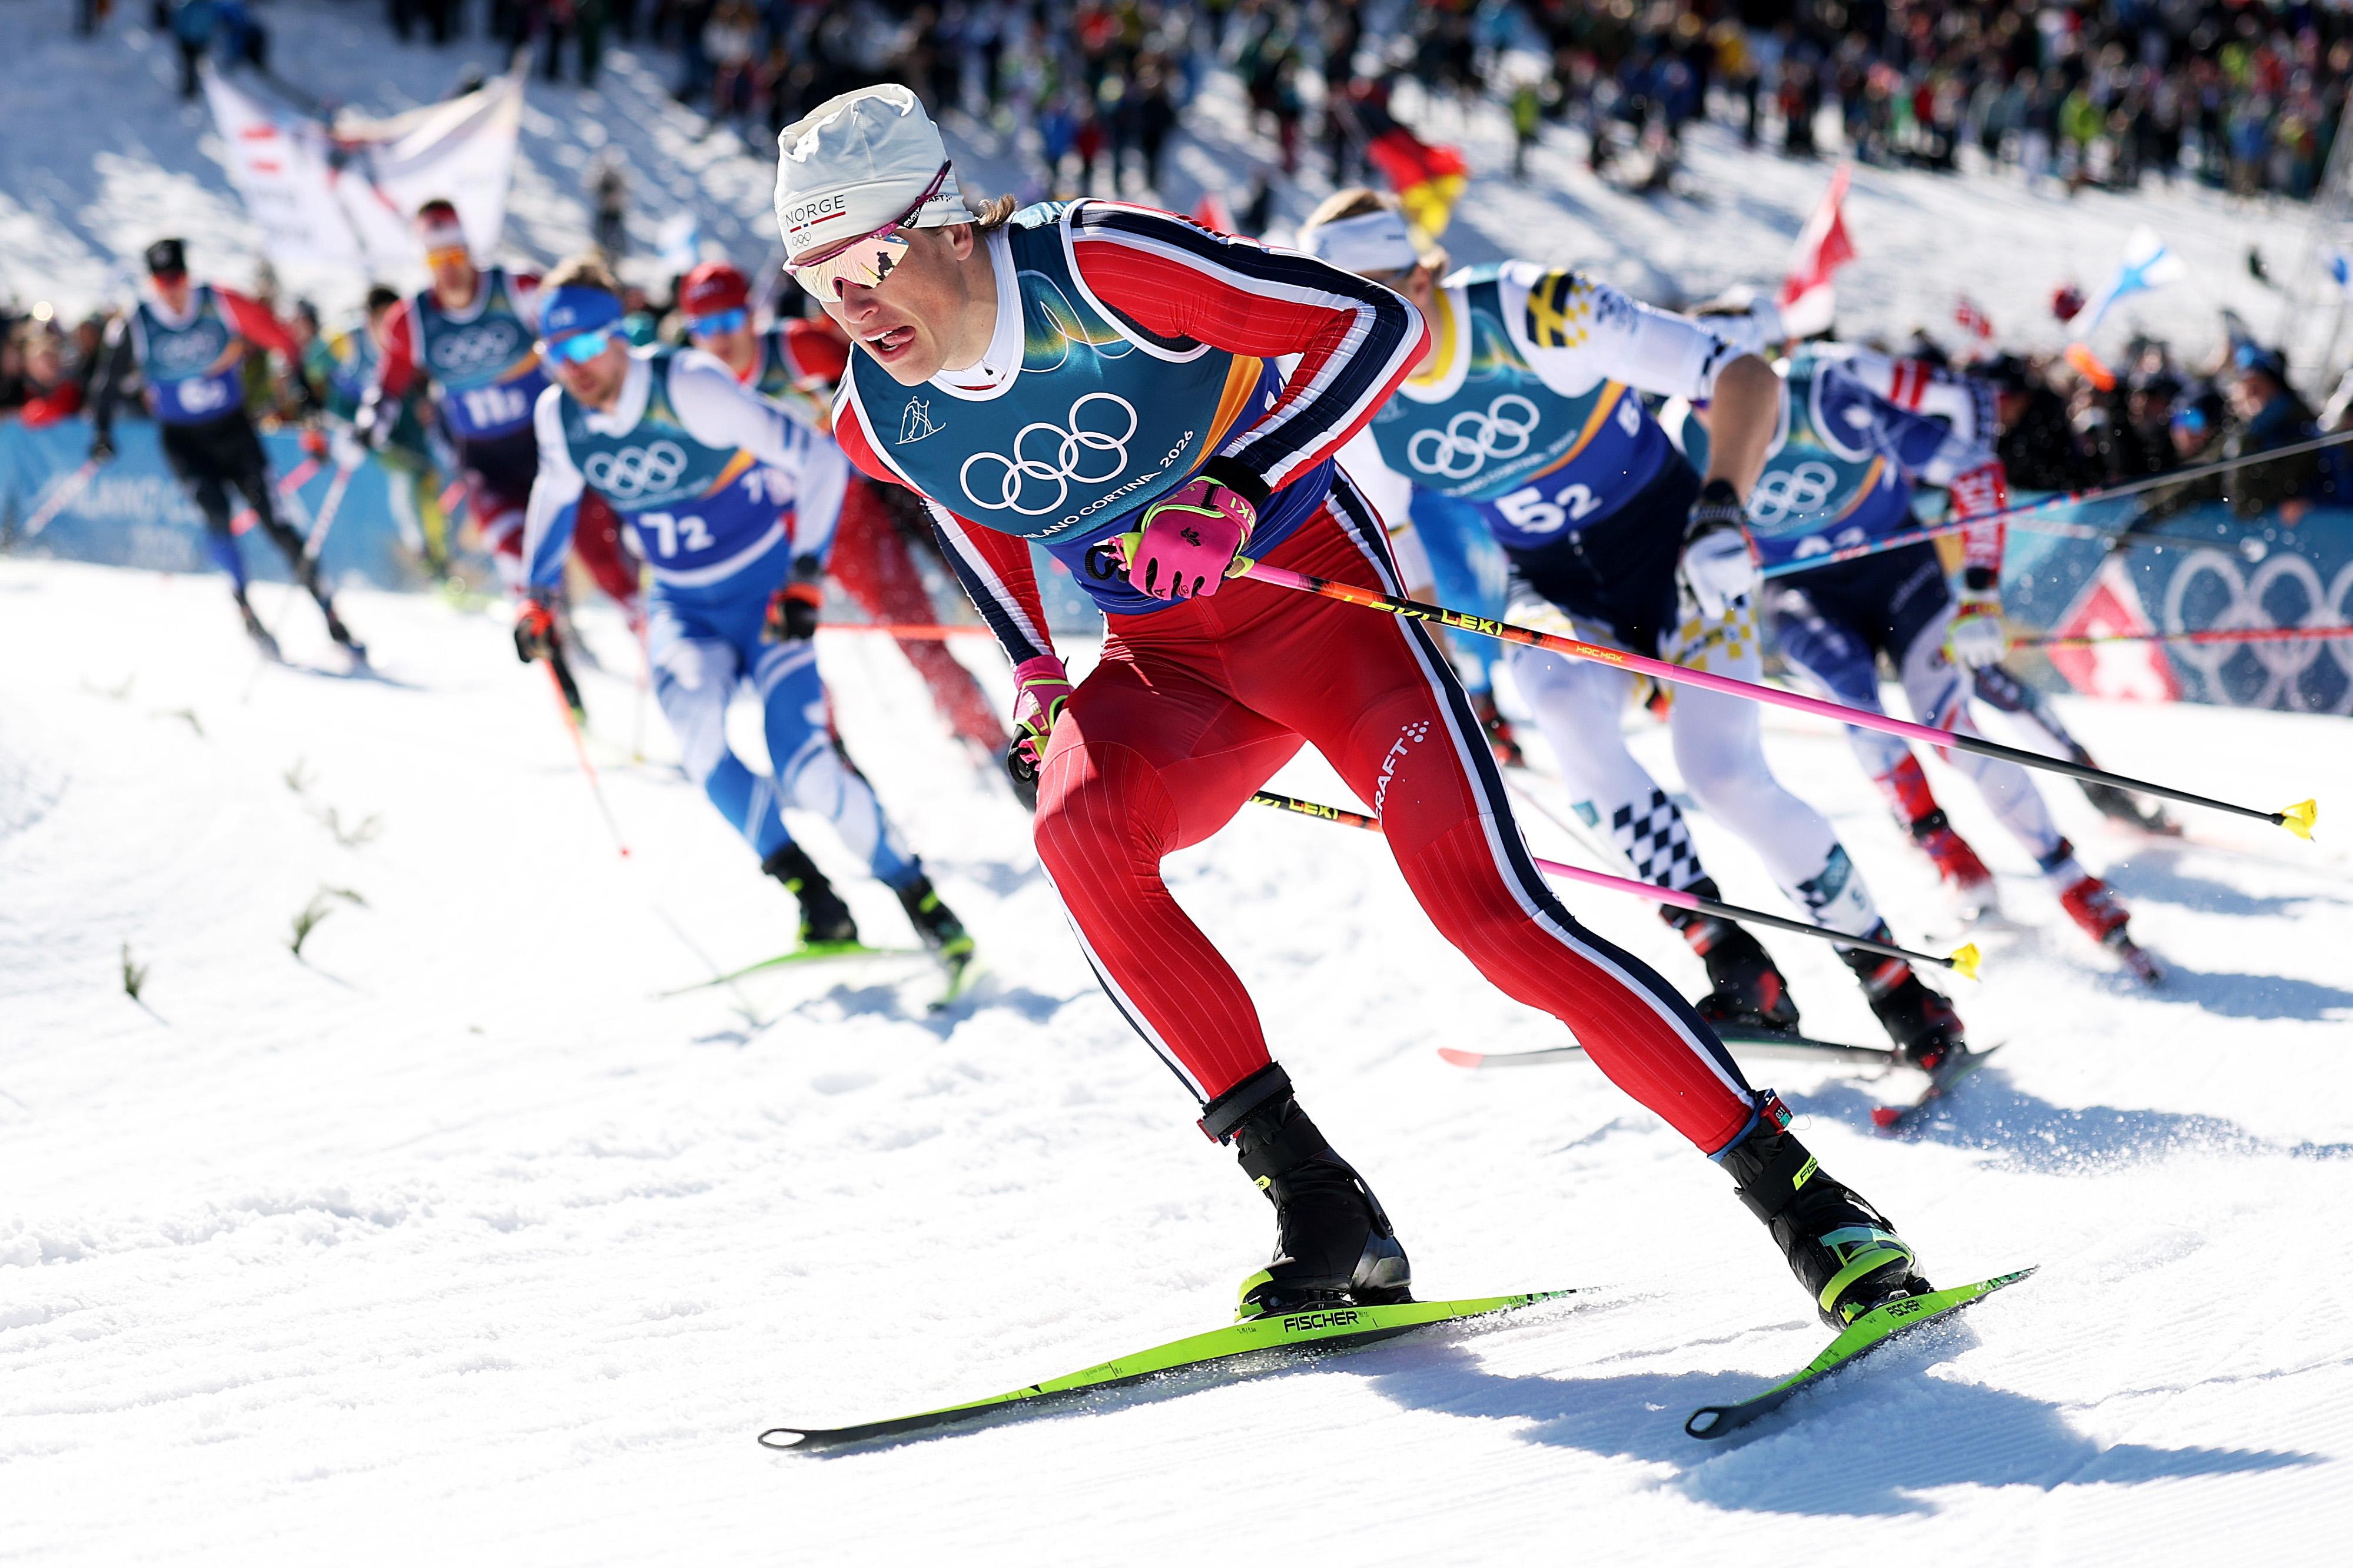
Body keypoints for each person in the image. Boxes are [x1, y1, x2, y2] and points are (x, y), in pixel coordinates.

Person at [776, 85, 1940, 1331]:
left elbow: (1368, 326)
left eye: (872, 260)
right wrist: (1037, 678)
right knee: (1077, 839)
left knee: (1491, 919)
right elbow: (969, 515)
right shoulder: (872, 411)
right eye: (815, 277)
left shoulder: (1096, 264)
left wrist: (1236, 482)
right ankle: (1324, 1213)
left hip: (1332, 618)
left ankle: (1807, 1200)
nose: (851, 303)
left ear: (949, 222)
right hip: (1169, 667)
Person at [1297, 190, 1965, 1065]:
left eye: (1385, 296)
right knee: (1558, 704)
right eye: (1343, 311)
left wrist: (1724, 507)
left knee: (1722, 775)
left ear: (1427, 273)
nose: (1370, 331)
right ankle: (1733, 965)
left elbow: (1744, 376)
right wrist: (1432, 652)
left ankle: (1895, 984)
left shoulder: (1537, 311)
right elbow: (1394, 533)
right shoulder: (1356, 394)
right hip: (1559, 592)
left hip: (1684, 558)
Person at [518, 255, 972, 964]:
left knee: (807, 770)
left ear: (616, 336)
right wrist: (535, 598)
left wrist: (803, 579)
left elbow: (820, 463)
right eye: (553, 352)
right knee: (696, 735)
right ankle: (814, 900)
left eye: (581, 346)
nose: (570, 368)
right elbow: (553, 496)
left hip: (762, 600)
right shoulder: (559, 416)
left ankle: (918, 897)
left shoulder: (688, 387)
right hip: (680, 606)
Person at [1677, 346, 2150, 976]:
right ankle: (1948, 854)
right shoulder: (1677, 434)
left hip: (1899, 574)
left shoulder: (1824, 399)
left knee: (1949, 724)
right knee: (1859, 710)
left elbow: (1975, 469)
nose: (1723, 419)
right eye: (1703, 400)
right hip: (1805, 597)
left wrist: (1980, 596)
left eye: (1734, 393)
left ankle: (2068, 875)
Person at [674, 260, 1008, 762]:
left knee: (916, 636)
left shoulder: (796, 349)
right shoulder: (696, 391)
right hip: (772, 546)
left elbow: (888, 382)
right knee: (788, 657)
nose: (718, 340)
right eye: (703, 328)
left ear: (749, 314)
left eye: (727, 322)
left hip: (852, 524)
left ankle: (998, 742)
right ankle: (832, 756)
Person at [357, 200, 639, 619]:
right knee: (517, 562)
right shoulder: (411, 320)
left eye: (455, 254)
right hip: (487, 464)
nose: (449, 268)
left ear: (469, 250)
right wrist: (367, 423)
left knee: (601, 557)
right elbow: (388, 384)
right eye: (438, 259)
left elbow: (568, 328)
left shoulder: (516, 288)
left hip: (550, 447)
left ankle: (640, 623)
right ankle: (552, 642)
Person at [85, 238, 361, 660]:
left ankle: (331, 615)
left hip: (234, 433)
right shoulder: (138, 324)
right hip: (184, 442)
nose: (172, 290)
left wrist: (303, 392)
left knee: (278, 525)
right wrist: (103, 432)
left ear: (187, 275)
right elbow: (106, 382)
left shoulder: (219, 303)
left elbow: (281, 338)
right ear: (152, 283)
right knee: (216, 514)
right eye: (163, 282)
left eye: (177, 279)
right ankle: (246, 609)